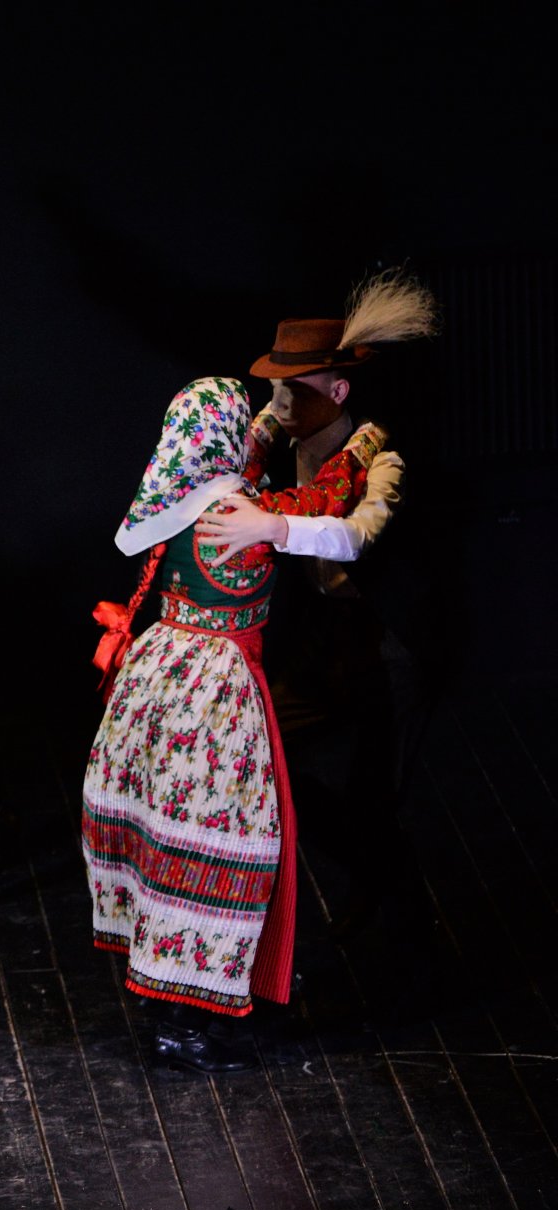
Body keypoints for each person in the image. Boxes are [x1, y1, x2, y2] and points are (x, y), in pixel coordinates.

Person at [82, 377, 386, 1073]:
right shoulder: (241, 515)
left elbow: (243, 453)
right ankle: (186, 1025)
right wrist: (363, 445)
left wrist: (272, 423)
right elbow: (324, 503)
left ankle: (176, 1007)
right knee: (219, 844)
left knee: (166, 842)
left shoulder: (173, 490)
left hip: (159, 675)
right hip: (212, 694)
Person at [195, 271, 437, 938]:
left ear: (337, 393)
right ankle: (368, 871)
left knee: (376, 798)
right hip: (326, 638)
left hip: (390, 651)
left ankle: (404, 929)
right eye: (273, 388)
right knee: (257, 751)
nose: (276, 404)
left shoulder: (380, 460)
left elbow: (354, 537)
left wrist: (271, 526)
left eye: (292, 390)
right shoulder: (283, 445)